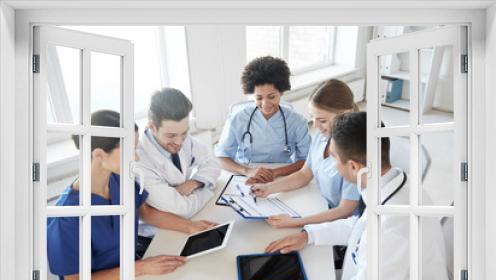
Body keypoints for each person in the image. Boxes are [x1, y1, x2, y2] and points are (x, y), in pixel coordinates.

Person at [232, 111, 450, 280]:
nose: (332, 163)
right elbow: (360, 225)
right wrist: (309, 235)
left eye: (334, 157)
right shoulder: (393, 183)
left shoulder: (393, 228)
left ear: (354, 166)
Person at [47, 110, 214, 280]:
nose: (135, 156)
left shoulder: (120, 180)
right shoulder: (66, 217)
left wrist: (190, 227)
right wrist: (141, 267)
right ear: (98, 154)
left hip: (136, 279)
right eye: (129, 150)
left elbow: (146, 212)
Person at [250, 79, 360, 229]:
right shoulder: (321, 137)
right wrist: (270, 188)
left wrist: (296, 222)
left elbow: (345, 211)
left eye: (322, 120)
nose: (315, 126)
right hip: (318, 205)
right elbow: (304, 175)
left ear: (345, 115)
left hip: (342, 224)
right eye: (313, 118)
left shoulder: (356, 152)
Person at [214, 56, 311, 185]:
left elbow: (307, 160)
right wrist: (247, 171)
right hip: (244, 175)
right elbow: (221, 157)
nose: (265, 104)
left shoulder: (297, 122)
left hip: (283, 175)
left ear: (281, 92)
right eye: (259, 97)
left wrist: (275, 173)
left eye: (271, 96)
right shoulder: (238, 119)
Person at [137, 88, 221, 219]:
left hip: (194, 215)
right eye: (171, 136)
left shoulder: (181, 137)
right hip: (158, 233)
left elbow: (213, 162)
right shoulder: (140, 161)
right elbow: (182, 209)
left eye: (184, 133)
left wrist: (194, 183)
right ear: (152, 127)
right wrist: (209, 188)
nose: (179, 142)